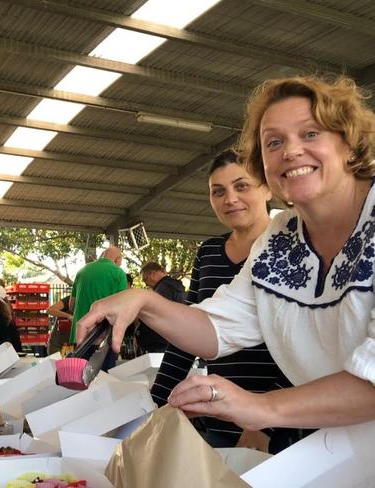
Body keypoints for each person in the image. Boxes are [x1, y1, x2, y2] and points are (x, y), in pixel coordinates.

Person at [78, 75, 375, 436]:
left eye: (310, 133)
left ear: (350, 143)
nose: (290, 151)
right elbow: (217, 328)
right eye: (274, 142)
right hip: (333, 443)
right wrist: (141, 301)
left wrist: (261, 407)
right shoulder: (280, 238)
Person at [151, 150, 302, 454]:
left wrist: (264, 423)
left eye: (241, 186)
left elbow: (301, 345)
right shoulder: (208, 252)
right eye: (218, 191)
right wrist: (157, 402)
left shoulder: (291, 248)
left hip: (279, 421)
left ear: (267, 189)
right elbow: (187, 332)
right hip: (219, 416)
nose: (230, 199)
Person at [71, 246, 127, 371]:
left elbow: (71, 305)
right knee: (104, 377)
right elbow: (123, 307)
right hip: (105, 336)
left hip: (81, 336)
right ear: (117, 259)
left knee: (80, 376)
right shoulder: (118, 273)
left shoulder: (82, 271)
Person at [136, 262, 186, 354]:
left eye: (145, 280)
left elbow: (157, 315)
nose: (146, 284)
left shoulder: (162, 288)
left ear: (153, 274)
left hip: (159, 344)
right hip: (174, 341)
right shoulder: (177, 287)